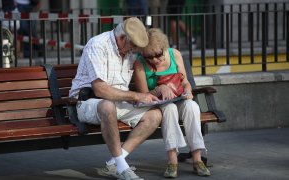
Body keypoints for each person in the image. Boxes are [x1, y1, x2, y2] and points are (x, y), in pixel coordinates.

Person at [69, 17, 162, 180]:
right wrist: (135, 95)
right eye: (133, 46)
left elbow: (161, 55)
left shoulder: (129, 49)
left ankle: (114, 164)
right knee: (107, 106)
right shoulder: (98, 45)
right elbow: (100, 90)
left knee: (154, 115)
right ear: (122, 38)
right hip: (86, 102)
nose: (134, 50)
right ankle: (122, 168)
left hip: (117, 101)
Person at [133, 28, 210, 178]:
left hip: (179, 98)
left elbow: (185, 82)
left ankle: (197, 159)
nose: (155, 59)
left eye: (158, 54)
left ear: (164, 48)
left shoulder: (174, 54)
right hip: (158, 103)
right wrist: (160, 88)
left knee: (192, 106)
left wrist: (188, 91)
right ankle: (172, 161)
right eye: (149, 56)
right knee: (169, 109)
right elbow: (143, 95)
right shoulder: (139, 64)